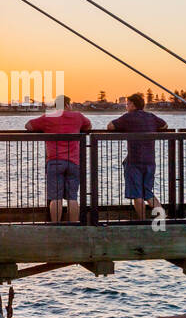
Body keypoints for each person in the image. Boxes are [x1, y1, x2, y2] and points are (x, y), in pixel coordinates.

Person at [25, 95, 91, 223]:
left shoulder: (48, 117)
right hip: (73, 161)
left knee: (55, 198)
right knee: (72, 197)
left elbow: (28, 126)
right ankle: (74, 227)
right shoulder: (78, 116)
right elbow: (88, 126)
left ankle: (56, 226)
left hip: (54, 161)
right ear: (67, 105)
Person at [106, 92, 167, 220]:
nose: (126, 107)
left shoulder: (129, 117)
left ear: (133, 105)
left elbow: (110, 126)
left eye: (127, 104)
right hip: (150, 160)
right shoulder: (150, 116)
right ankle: (163, 218)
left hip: (134, 161)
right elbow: (165, 125)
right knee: (148, 193)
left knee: (137, 194)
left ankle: (143, 221)